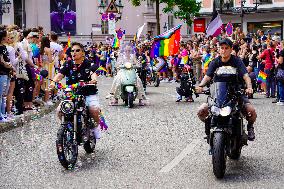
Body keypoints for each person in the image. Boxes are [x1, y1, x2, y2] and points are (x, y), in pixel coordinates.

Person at [196, 38, 257, 141]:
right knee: (201, 111)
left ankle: (250, 127)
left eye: (226, 48)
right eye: (221, 48)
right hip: (218, 95)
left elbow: (246, 76)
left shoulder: (237, 61)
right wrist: (201, 86)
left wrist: (249, 87)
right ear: (219, 49)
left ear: (231, 49)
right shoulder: (215, 62)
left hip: (235, 94)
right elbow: (207, 77)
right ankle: (208, 129)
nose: (223, 50)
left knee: (251, 111)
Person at [49, 42, 101, 139]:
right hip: (71, 94)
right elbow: (60, 74)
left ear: (83, 53)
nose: (74, 52)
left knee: (94, 110)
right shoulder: (68, 64)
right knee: (60, 111)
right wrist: (53, 83)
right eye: (72, 50)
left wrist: (93, 80)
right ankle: (68, 126)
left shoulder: (88, 63)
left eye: (77, 50)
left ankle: (95, 128)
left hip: (88, 93)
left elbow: (93, 73)